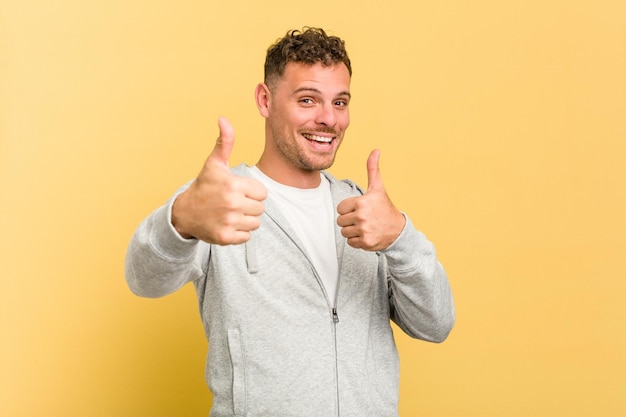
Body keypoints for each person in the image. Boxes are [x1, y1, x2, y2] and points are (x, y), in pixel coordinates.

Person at [125, 27, 455, 417]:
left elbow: (436, 325)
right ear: (265, 100)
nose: (328, 119)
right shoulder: (221, 201)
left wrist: (400, 235)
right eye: (307, 100)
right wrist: (178, 221)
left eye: (340, 102)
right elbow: (143, 279)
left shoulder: (366, 211)